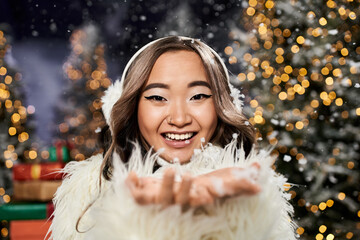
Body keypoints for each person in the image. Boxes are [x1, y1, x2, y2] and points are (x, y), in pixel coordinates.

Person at [48, 36, 297, 240]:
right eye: (158, 97)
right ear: (132, 107)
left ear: (221, 105)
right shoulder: (86, 193)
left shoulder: (254, 191)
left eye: (198, 96)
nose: (179, 119)